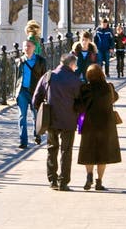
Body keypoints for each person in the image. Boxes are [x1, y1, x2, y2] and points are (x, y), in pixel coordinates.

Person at [33, 52, 82, 191]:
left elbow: (36, 98)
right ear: (71, 65)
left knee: (51, 148)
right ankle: (63, 182)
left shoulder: (48, 76)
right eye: (75, 65)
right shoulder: (75, 79)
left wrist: (42, 110)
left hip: (51, 119)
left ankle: (52, 180)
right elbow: (80, 101)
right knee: (66, 151)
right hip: (69, 120)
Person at [78, 63, 122, 191]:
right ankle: (99, 181)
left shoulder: (85, 89)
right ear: (102, 74)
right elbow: (115, 98)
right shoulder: (108, 88)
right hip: (106, 125)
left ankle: (89, 175)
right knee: (103, 154)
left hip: (88, 124)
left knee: (88, 151)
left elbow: (79, 105)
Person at [15, 38, 47, 148]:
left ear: (34, 48)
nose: (26, 48)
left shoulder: (41, 61)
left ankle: (37, 134)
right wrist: (16, 92)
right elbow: (16, 77)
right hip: (22, 91)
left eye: (29, 46)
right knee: (22, 116)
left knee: (36, 115)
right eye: (25, 46)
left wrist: (44, 93)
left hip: (35, 92)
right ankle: (23, 141)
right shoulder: (20, 61)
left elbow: (44, 78)